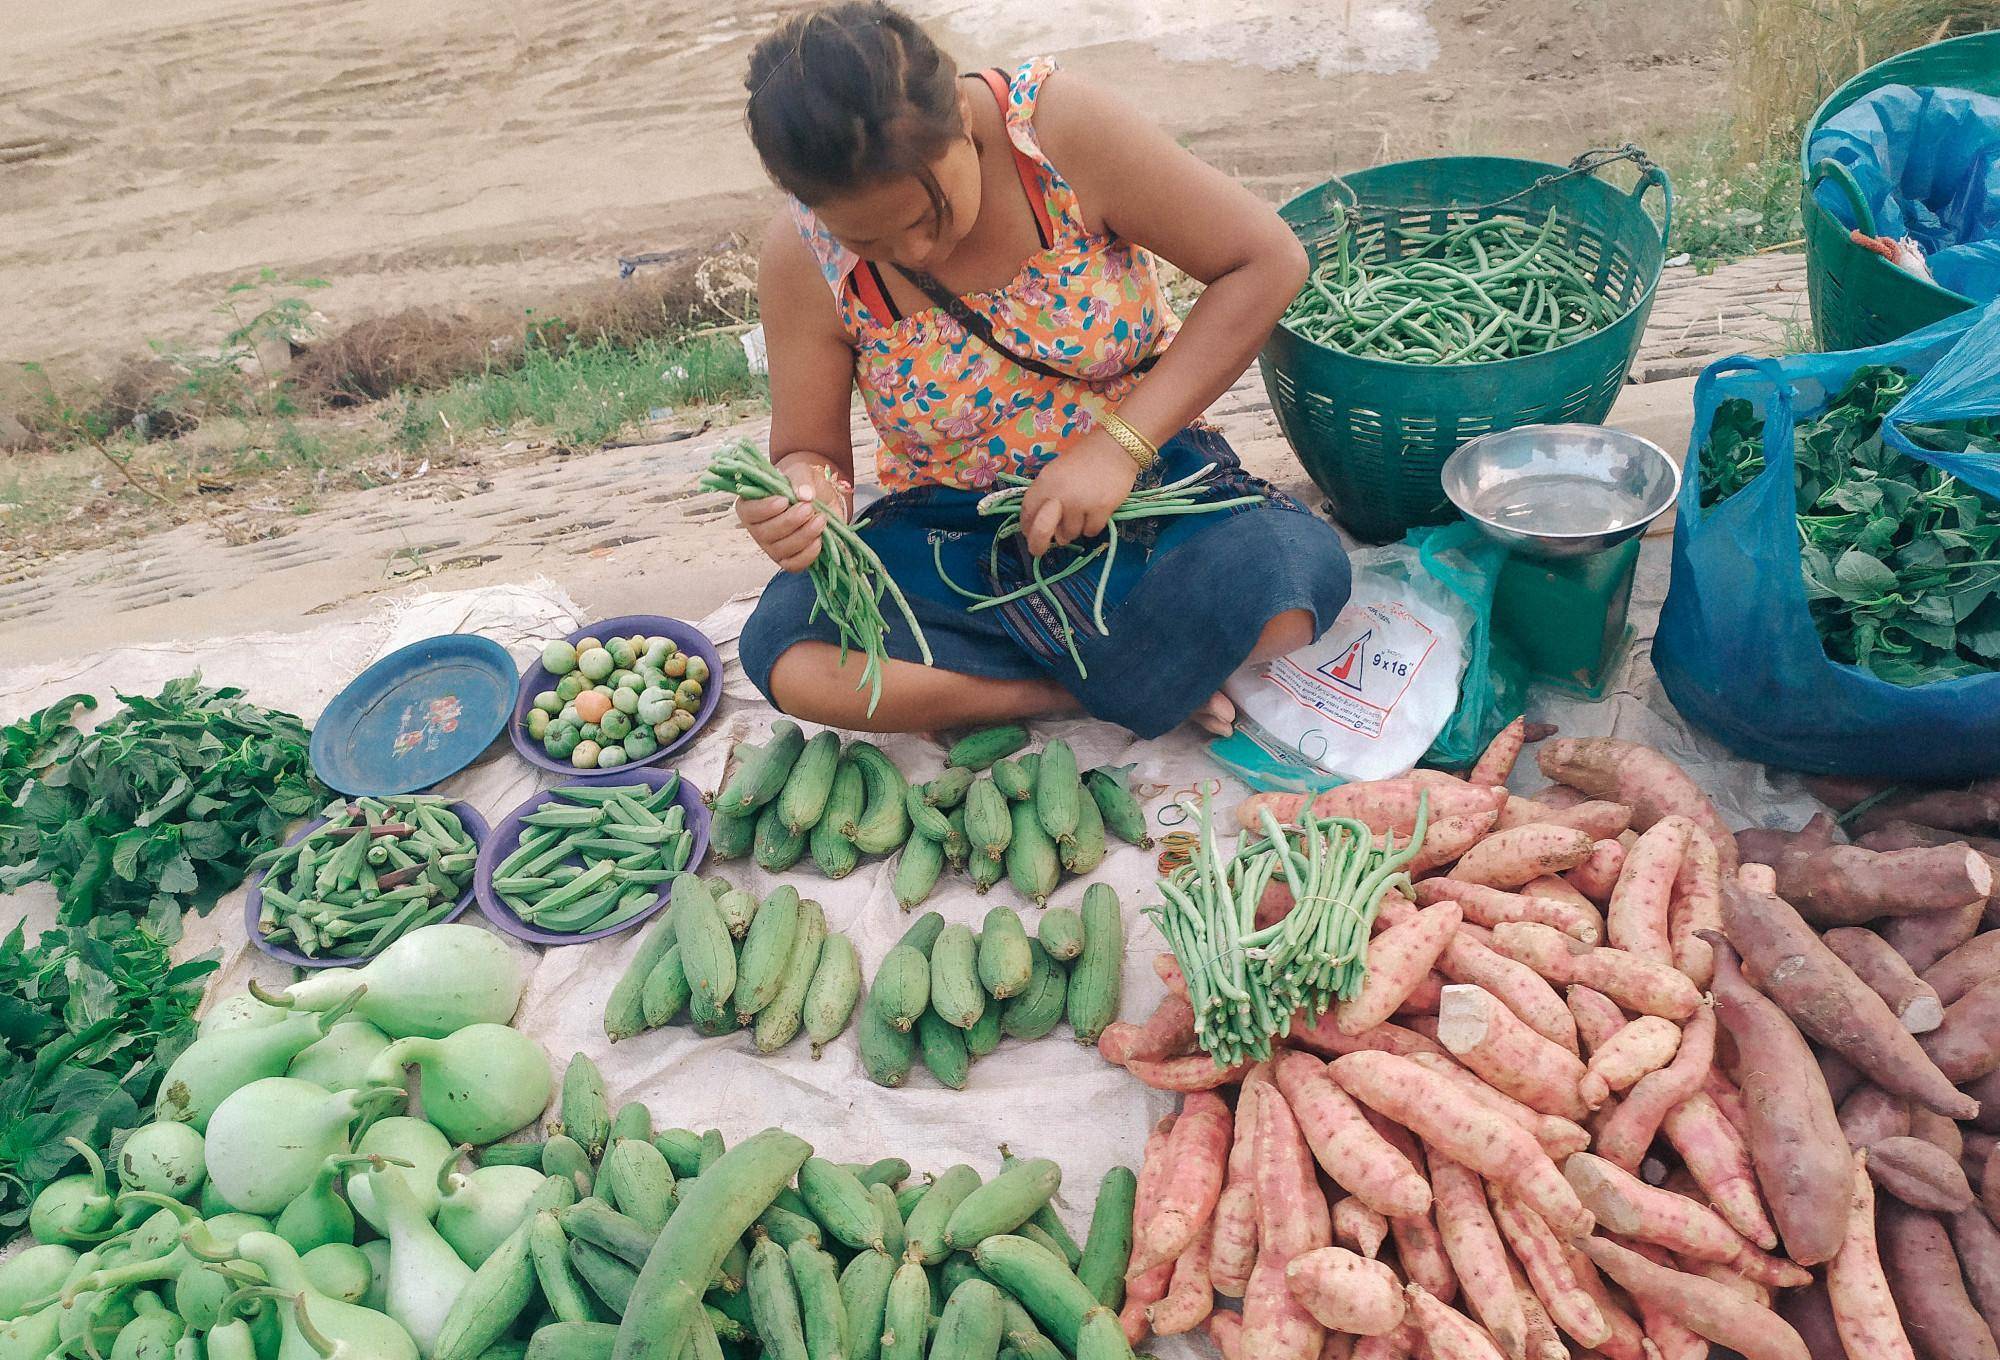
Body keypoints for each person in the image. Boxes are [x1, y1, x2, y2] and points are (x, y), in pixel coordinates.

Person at [732, 1, 1351, 737]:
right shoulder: (802, 256)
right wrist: (803, 499)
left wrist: (1118, 448)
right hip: (954, 530)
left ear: (963, 118)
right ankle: (1081, 689)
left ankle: (1075, 670)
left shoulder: (1059, 135)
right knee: (791, 655)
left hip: (1148, 489)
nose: (917, 252)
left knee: (1289, 581)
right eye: (869, 240)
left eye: (928, 215)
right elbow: (813, 453)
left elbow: (1267, 261)